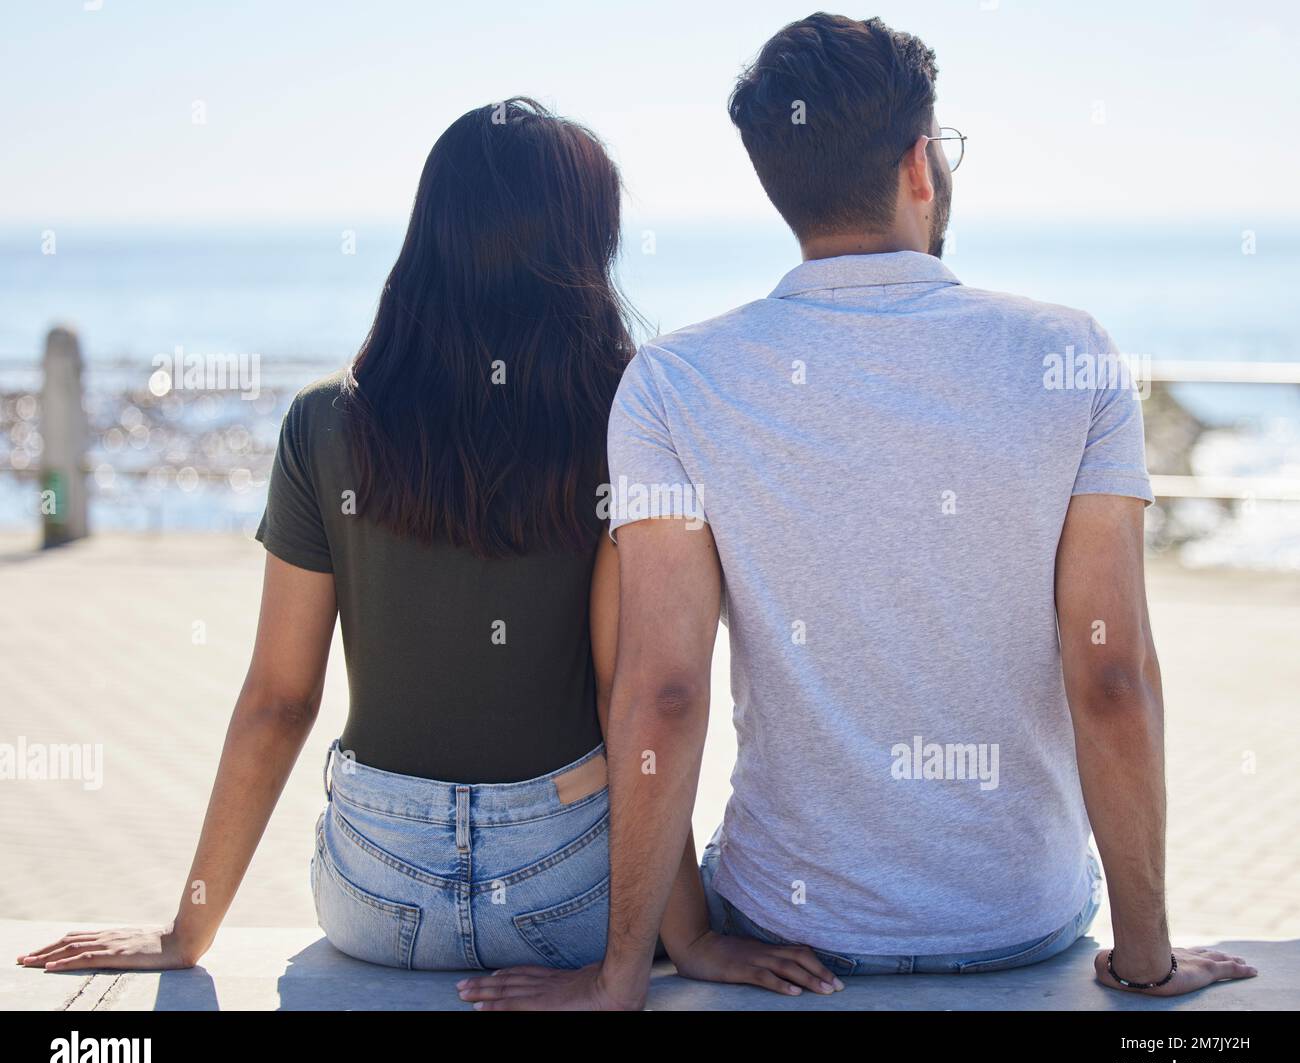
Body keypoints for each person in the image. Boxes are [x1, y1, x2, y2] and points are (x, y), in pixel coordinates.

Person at [460, 15, 1257, 1009]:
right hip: (1019, 922)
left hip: (787, 929)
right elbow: (1110, 673)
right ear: (921, 165)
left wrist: (625, 972)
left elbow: (662, 690)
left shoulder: (675, 383)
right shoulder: (1072, 356)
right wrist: (1146, 957)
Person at [17, 100, 832, 991]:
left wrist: (189, 927)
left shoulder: (326, 424)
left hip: (376, 891)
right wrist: (690, 935)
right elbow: (632, 700)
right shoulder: (621, 420)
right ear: (583, 250)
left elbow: (278, 699)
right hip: (567, 894)